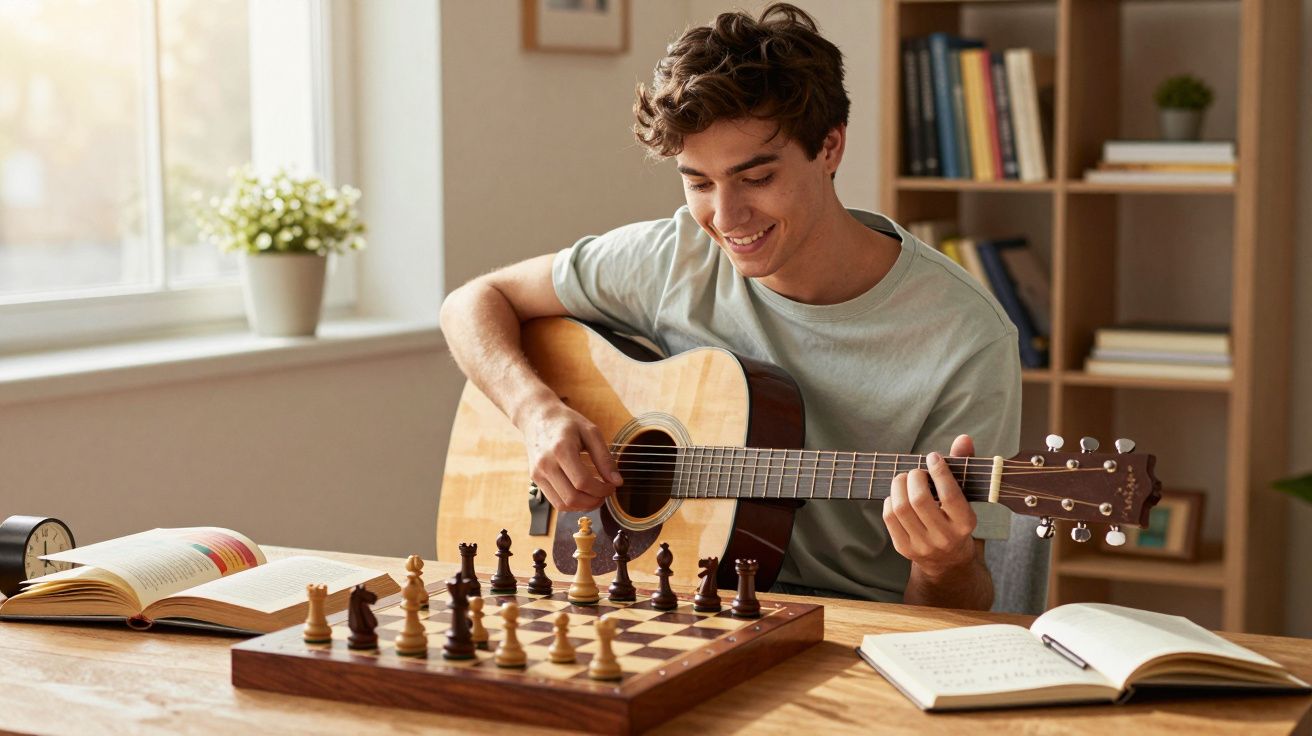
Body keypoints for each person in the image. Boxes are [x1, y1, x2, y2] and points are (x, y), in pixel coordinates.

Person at [439, 3, 1020, 610]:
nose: (726, 216)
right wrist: (535, 412)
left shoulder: (965, 338)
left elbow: (954, 611)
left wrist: (944, 561)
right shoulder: (673, 257)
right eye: (698, 183)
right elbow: (473, 302)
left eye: (757, 178)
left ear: (829, 147)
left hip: (850, 629)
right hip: (667, 606)